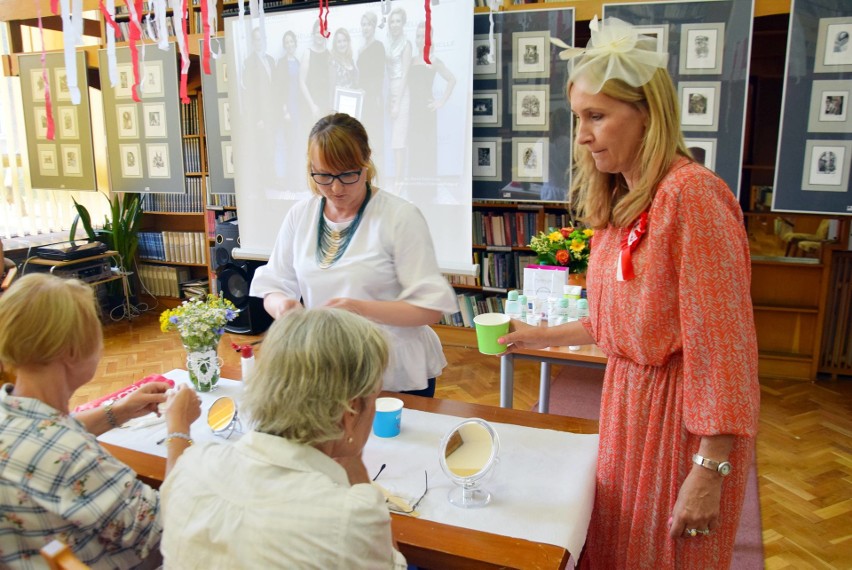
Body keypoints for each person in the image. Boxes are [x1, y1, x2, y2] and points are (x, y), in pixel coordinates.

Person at [499, 17, 760, 568]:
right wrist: (539, 336)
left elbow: (725, 347)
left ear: (647, 114)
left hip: (677, 424)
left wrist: (710, 467)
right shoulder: (624, 202)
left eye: (597, 116)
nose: (583, 135)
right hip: (627, 404)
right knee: (619, 548)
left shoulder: (692, 198)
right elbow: (619, 322)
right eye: (578, 119)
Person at [160, 308, 407, 568]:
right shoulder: (349, 516)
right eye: (374, 397)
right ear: (351, 411)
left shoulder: (191, 464)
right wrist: (357, 471)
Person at [0, 273, 201, 569]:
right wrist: (179, 429)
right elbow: (166, 522)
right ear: (71, 352)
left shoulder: (13, 411)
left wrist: (119, 411)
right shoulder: (72, 457)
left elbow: (47, 430)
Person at [250, 113, 457, 396]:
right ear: (311, 167)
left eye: (348, 174)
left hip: (391, 370)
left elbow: (430, 308)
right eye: (323, 175)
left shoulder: (399, 217)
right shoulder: (301, 215)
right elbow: (274, 284)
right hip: (327, 365)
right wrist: (282, 306)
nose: (335, 188)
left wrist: (358, 309)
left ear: (366, 160)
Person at [406, 20, 457, 184]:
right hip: (413, 110)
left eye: (424, 36)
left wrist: (440, 102)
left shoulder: (433, 60)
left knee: (426, 150)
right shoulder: (412, 60)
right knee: (414, 149)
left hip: (427, 111)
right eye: (418, 36)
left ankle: (428, 190)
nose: (421, 39)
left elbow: (452, 79)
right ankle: (415, 188)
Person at [385, 7, 412, 182]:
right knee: (393, 138)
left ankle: (399, 180)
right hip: (389, 91)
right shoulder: (388, 43)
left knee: (398, 138)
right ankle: (396, 176)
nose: (395, 24)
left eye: (398, 21)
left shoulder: (406, 45)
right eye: (392, 21)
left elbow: (405, 74)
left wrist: (397, 103)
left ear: (403, 23)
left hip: (401, 91)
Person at [356, 11, 386, 160]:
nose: (365, 28)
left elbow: (379, 75)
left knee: (375, 135)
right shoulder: (360, 49)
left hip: (372, 97)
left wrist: (373, 95)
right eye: (363, 25)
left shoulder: (378, 46)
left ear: (374, 26)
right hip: (361, 99)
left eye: (368, 24)